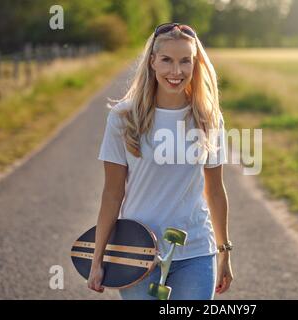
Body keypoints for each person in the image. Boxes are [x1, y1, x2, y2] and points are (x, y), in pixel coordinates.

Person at [87, 22, 233, 300]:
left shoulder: (207, 117)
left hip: (196, 252)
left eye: (184, 61)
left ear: (195, 64)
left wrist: (224, 253)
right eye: (166, 60)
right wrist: (98, 258)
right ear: (152, 61)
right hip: (137, 252)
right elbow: (112, 193)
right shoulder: (123, 117)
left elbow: (215, 190)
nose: (176, 72)